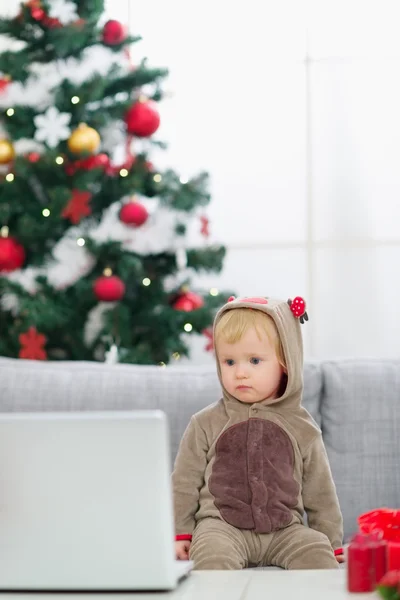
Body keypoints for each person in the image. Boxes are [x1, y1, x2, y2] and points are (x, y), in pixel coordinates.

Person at [172, 295, 344, 569]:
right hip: (220, 527)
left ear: (285, 363)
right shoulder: (205, 422)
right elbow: (184, 483)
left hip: (285, 530)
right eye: (229, 362)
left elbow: (320, 491)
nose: (240, 372)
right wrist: (180, 532)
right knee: (211, 558)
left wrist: (332, 542)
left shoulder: (302, 427)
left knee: (316, 554)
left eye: (254, 360)